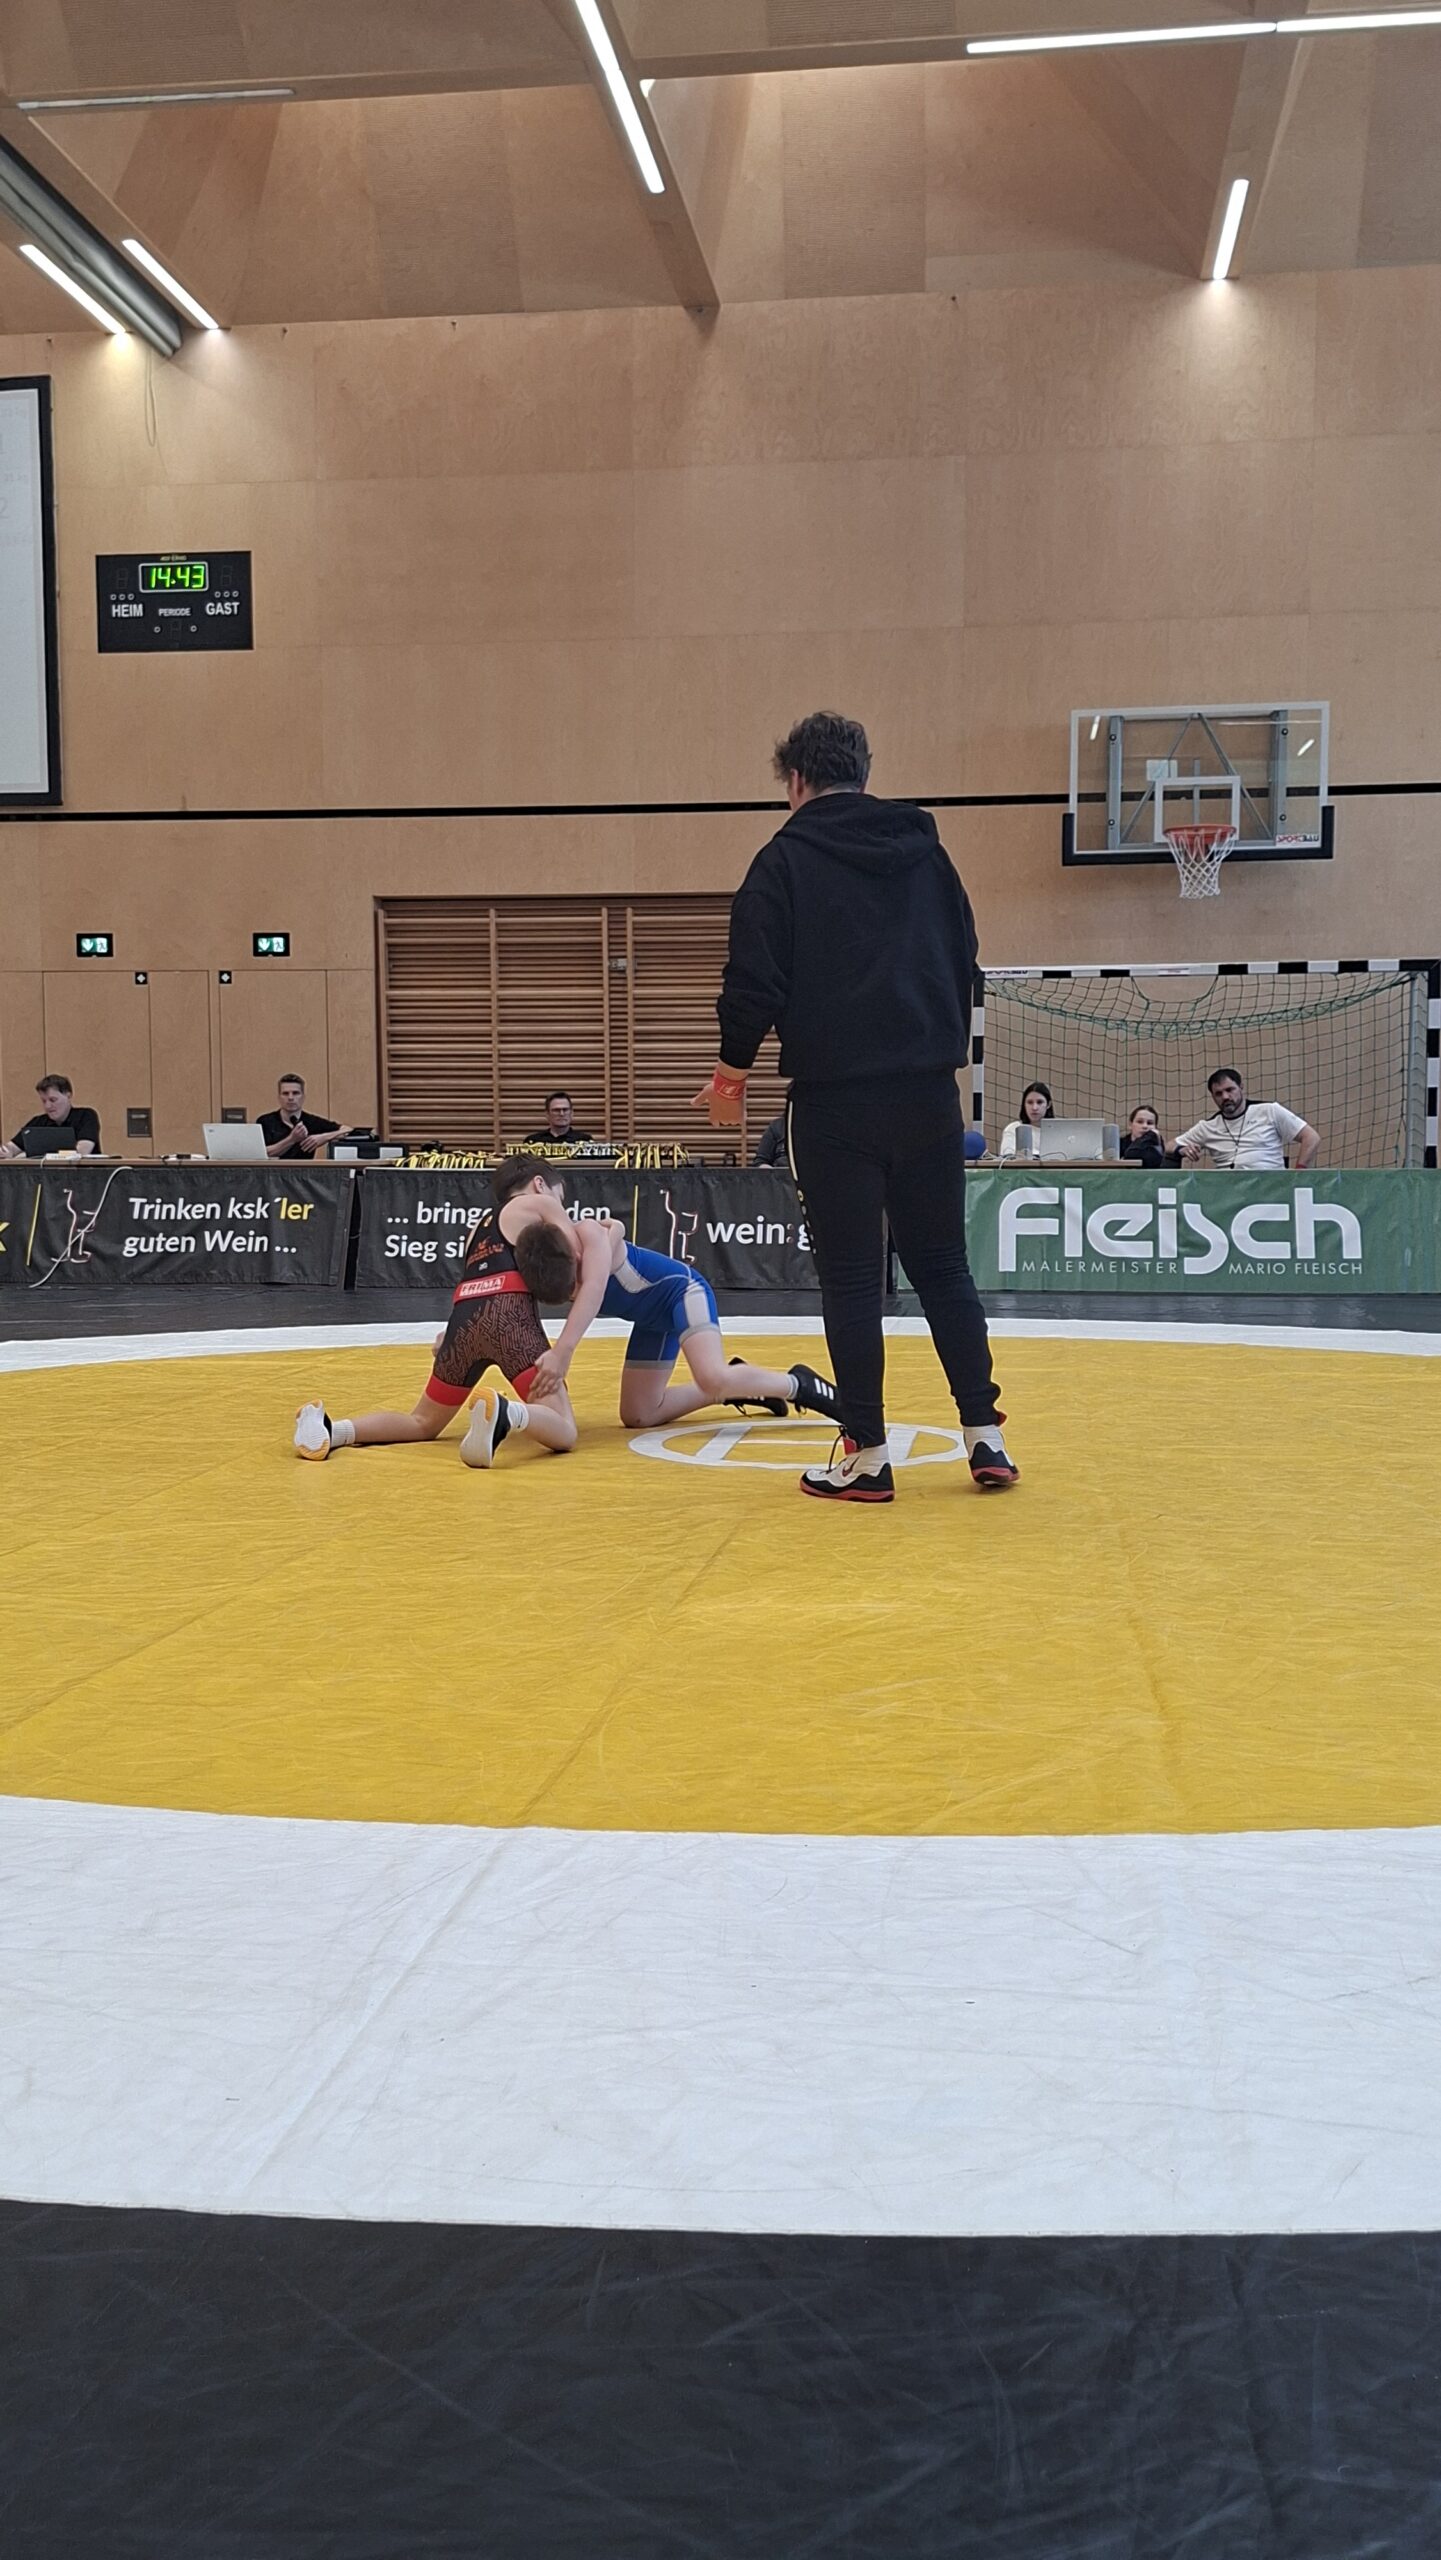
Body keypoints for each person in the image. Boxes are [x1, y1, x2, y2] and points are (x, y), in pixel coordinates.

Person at [692, 709, 1016, 1505]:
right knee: (942, 1266)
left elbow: (752, 981)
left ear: (795, 780)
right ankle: (985, 1436)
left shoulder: (782, 860)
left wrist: (730, 1078)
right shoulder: (927, 853)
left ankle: (866, 1454)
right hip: (928, 1093)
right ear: (863, 775)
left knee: (849, 1277)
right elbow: (965, 959)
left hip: (835, 1101)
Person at [293, 1155, 579, 1467]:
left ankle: (331, 1430)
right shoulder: (540, 1203)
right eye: (559, 1197)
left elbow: (475, 1282)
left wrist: (451, 1333)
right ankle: (508, 1413)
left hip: (462, 1322)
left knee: (422, 1422)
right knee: (564, 1430)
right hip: (509, 1317)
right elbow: (575, 1257)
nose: (559, 1204)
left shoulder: (478, 1227)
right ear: (540, 1184)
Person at [502, 1170, 838, 1434]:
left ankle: (800, 1385)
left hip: (683, 1292)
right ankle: (736, 1383)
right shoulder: (538, 1260)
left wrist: (563, 1351)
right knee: (639, 1414)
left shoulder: (588, 1233)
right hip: (652, 1319)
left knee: (711, 1375)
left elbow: (593, 1288)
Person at [1176, 1070, 1320, 1171]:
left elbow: (1311, 1137)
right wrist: (1181, 1149)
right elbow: (1170, 1146)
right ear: (1213, 1096)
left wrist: (1298, 1174)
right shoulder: (1208, 1126)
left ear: (1241, 1087)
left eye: (1230, 1090)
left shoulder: (1269, 1111)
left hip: (1273, 1189)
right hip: (1228, 1194)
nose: (1225, 1097)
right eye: (1218, 1093)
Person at [1, 1074, 100, 1159]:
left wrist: (26, 1155)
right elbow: (11, 1147)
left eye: (53, 1100)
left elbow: (82, 1151)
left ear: (68, 1096)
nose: (47, 1106)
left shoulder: (86, 1116)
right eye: (44, 1101)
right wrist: (6, 1151)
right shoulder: (38, 1122)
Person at [259, 1075, 353, 1160]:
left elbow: (348, 1130)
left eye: (295, 1093)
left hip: (305, 1172)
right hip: (272, 1172)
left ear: (303, 1097)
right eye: (285, 1093)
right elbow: (261, 1154)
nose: (290, 1098)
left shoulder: (312, 1121)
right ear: (279, 1097)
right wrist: (292, 1139)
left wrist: (322, 1137)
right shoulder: (265, 1121)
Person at [524, 1091, 592, 1145]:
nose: (561, 1114)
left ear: (572, 1113)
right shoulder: (533, 1142)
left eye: (565, 1110)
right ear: (547, 1114)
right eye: (556, 1110)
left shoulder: (585, 1141)